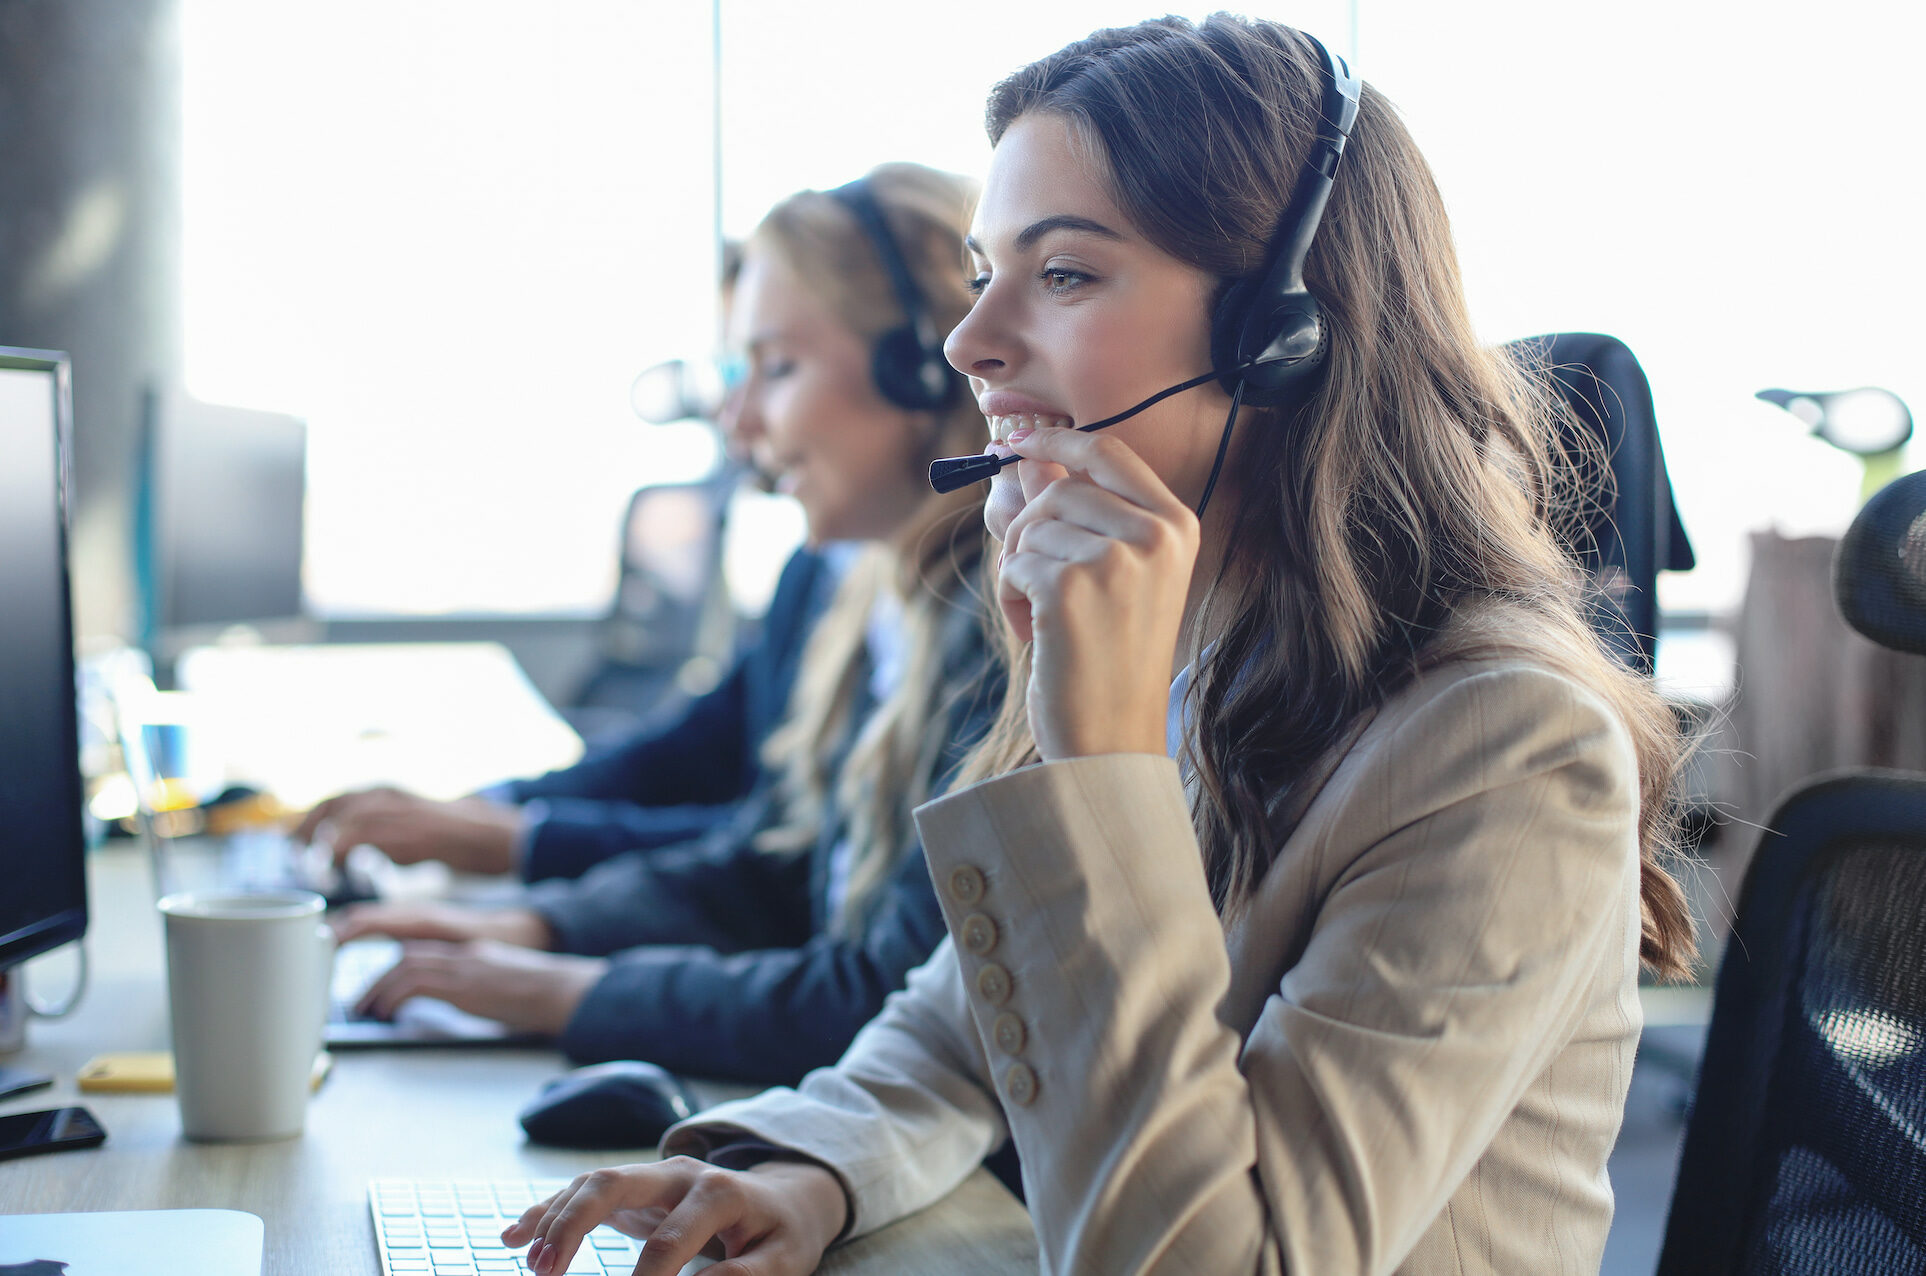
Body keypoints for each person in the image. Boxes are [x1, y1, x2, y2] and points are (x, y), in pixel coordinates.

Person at [497, 16, 1699, 1276]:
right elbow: (969, 1014)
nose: (973, 343)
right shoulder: (1193, 639)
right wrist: (805, 1169)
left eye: (1063, 273)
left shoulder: (1505, 746)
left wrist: (1097, 771)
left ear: (1276, 336)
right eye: (981, 274)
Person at [330, 162, 1003, 1084]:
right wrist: (540, 929)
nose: (736, 421)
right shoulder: (856, 594)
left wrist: (559, 989)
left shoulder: (1005, 630)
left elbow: (878, 996)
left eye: (778, 366)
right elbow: (772, 860)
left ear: (922, 367)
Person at [292, 245, 819, 888]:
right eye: (735, 368)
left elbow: (782, 857)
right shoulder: (816, 572)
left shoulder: (920, 600)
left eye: (780, 367)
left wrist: (515, 848)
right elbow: (687, 757)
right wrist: (485, 810)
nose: (733, 412)